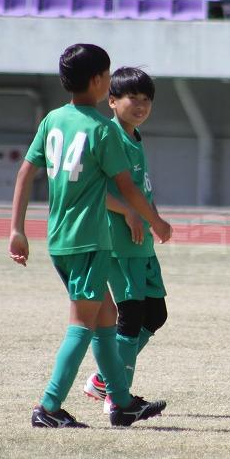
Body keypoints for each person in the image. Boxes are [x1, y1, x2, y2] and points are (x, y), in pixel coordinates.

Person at [9, 44, 170, 428]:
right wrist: (156, 221)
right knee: (83, 324)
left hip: (60, 238)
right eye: (107, 75)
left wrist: (17, 229)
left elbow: (25, 172)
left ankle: (121, 402)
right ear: (99, 81)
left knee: (106, 319)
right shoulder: (101, 129)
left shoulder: (52, 120)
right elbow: (127, 189)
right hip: (91, 240)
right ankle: (48, 407)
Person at [81, 68, 170, 414]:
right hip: (119, 241)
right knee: (130, 317)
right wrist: (130, 213)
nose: (141, 105)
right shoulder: (108, 135)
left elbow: (140, 187)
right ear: (112, 101)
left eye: (147, 99)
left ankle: (104, 379)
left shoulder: (135, 136)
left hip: (140, 241)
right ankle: (118, 399)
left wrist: (153, 217)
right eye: (133, 98)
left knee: (155, 314)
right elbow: (96, 189)